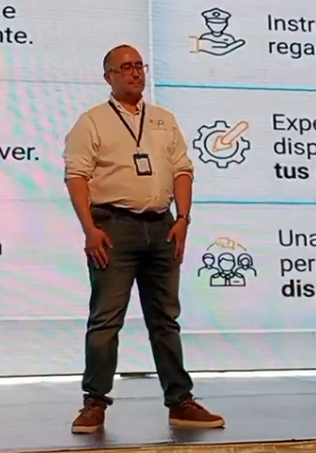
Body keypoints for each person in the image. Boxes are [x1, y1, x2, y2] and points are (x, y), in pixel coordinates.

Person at [62, 44, 225, 433]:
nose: (135, 73)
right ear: (109, 76)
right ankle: (94, 402)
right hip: (114, 227)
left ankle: (180, 402)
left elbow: (183, 169)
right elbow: (76, 176)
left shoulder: (164, 120)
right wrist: (89, 229)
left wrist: (183, 218)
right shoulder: (93, 121)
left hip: (162, 226)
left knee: (166, 319)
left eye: (139, 66)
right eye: (126, 67)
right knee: (106, 319)